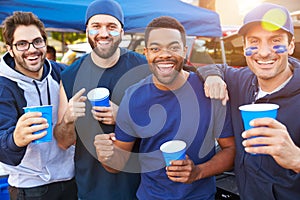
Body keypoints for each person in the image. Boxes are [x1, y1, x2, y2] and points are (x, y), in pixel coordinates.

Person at [94, 16, 235, 199]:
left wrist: (198, 172)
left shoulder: (209, 91)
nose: (164, 54)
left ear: (184, 51)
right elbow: (115, 164)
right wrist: (105, 154)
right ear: (146, 53)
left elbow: (230, 150)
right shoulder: (133, 97)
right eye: (155, 48)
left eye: (173, 47)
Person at [199, 3, 300, 199]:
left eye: (275, 40)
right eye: (254, 42)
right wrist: (213, 77)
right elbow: (212, 67)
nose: (263, 52)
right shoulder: (240, 79)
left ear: (290, 45)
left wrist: (295, 158)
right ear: (244, 46)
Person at [53, 0, 150, 199]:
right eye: (96, 26)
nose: (104, 33)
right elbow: (63, 142)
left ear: (122, 32)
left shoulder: (143, 69)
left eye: (111, 27)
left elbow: (163, 128)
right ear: (86, 30)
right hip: (90, 189)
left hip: (140, 188)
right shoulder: (71, 75)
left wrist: (123, 117)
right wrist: (68, 120)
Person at [0, 11, 77, 200]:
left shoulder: (62, 73)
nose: (32, 49)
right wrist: (15, 139)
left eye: (37, 41)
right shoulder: (4, 86)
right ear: (10, 49)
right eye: (21, 44)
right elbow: (3, 146)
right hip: (30, 187)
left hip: (70, 179)